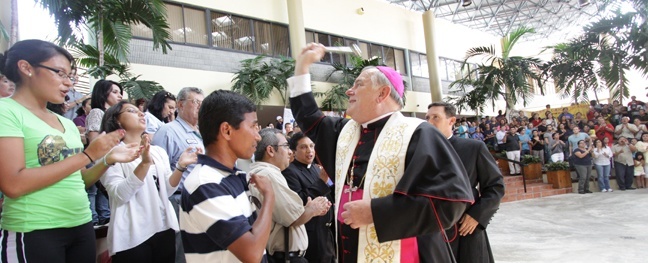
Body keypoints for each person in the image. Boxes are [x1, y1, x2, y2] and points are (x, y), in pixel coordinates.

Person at [288, 43, 473, 262]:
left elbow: (451, 200)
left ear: (382, 93)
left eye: (358, 84)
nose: (349, 90)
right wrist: (302, 66)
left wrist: (376, 212)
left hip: (408, 252)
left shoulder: (418, 134)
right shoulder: (344, 131)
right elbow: (308, 115)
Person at [0, 39, 139, 262]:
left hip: (80, 225)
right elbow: (13, 184)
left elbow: (79, 179)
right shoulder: (6, 111)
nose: (68, 84)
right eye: (60, 73)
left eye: (70, 77)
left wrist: (106, 159)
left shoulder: (63, 122)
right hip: (35, 228)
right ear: (26, 68)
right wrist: (88, 155)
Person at [179, 90, 274, 262]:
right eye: (253, 126)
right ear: (227, 131)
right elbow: (252, 253)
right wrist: (269, 196)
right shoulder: (205, 183)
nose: (258, 136)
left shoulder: (233, 175)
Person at [100, 101, 201, 262]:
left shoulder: (157, 151)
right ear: (117, 120)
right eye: (131, 111)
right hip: (132, 233)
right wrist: (144, 164)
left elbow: (166, 190)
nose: (141, 113)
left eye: (140, 111)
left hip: (163, 226)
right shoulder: (112, 154)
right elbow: (120, 195)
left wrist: (181, 166)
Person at [426, 102, 504, 263]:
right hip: (431, 230)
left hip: (465, 228)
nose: (429, 122)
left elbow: (495, 187)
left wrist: (477, 216)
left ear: (452, 120)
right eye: (427, 118)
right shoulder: (419, 151)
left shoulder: (473, 148)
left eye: (436, 117)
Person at [248, 128, 331, 263]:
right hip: (284, 256)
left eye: (311, 146)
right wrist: (312, 208)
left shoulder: (260, 172)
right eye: (286, 146)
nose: (289, 151)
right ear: (270, 150)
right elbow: (294, 217)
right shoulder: (269, 175)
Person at [151, 87, 205, 263]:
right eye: (196, 102)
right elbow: (156, 172)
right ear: (180, 105)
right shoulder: (168, 131)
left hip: (200, 198)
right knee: (181, 252)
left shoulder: (201, 133)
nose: (200, 107)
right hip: (178, 199)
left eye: (202, 103)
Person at [282, 132, 336, 263]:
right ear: (294, 151)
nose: (310, 151)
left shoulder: (317, 169)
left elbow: (327, 193)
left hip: (327, 231)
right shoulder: (290, 171)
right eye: (304, 147)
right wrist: (322, 182)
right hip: (311, 232)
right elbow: (300, 200)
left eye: (312, 146)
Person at [86, 79, 124, 226]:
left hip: (110, 159)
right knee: (95, 194)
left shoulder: (112, 115)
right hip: (99, 160)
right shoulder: (97, 112)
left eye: (120, 93)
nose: (119, 96)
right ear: (103, 94)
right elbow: (94, 140)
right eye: (115, 92)